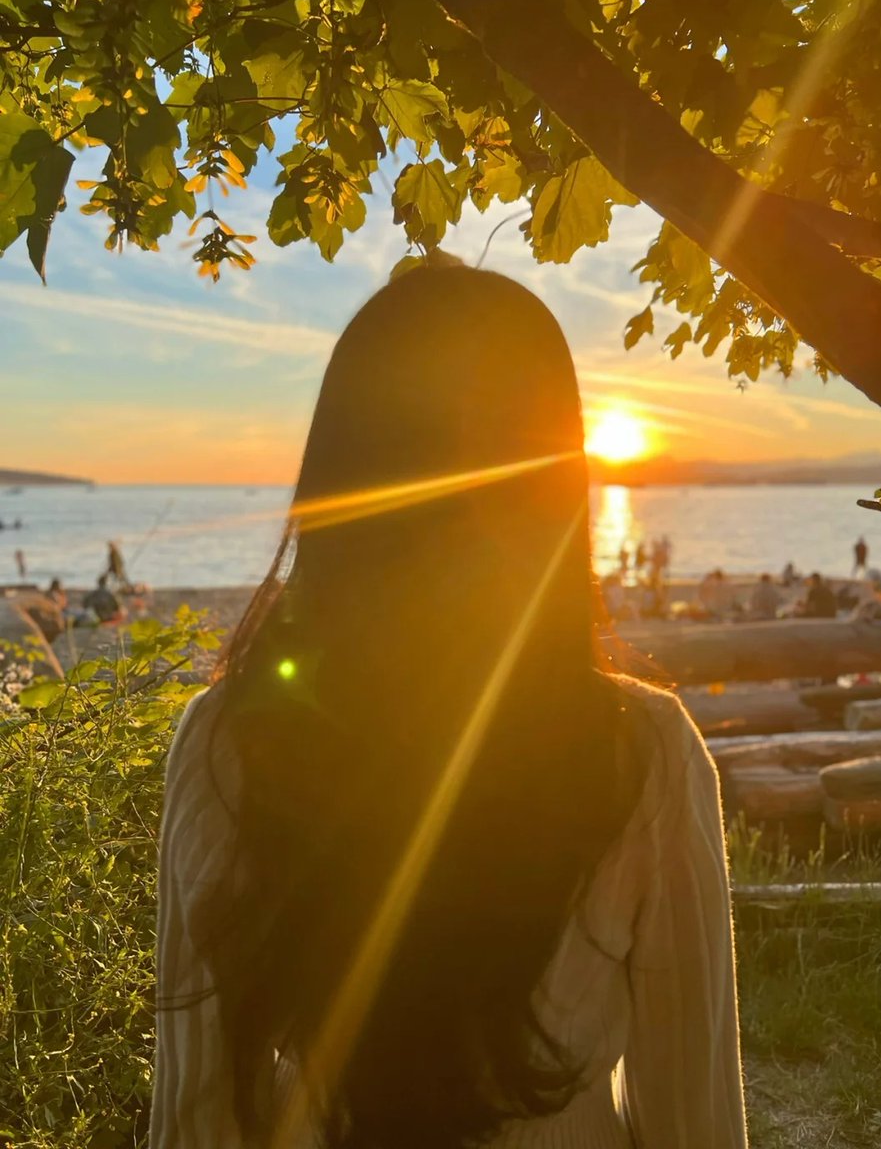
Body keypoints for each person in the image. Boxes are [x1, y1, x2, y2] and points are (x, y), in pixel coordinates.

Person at [151, 268, 747, 1149]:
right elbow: (693, 1117)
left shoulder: (232, 741)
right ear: (552, 490)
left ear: (340, 486)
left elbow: (196, 1112)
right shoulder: (641, 755)